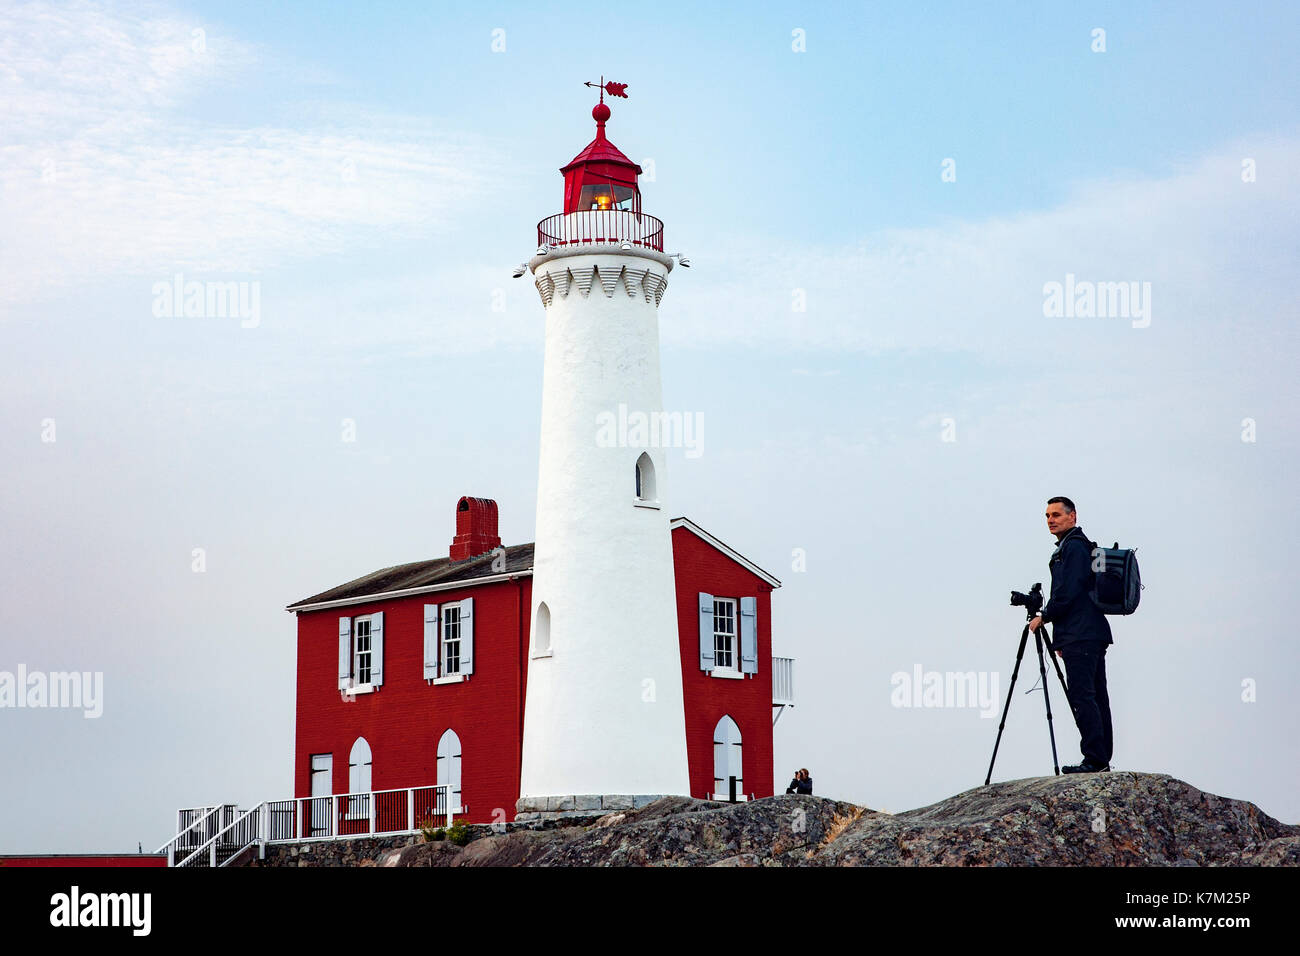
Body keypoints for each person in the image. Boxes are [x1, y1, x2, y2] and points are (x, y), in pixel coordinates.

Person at [1028, 496, 1114, 773]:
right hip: (1086, 633)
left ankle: (1095, 759)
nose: (1051, 520)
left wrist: (1045, 616)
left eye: (1056, 515)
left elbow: (1068, 593)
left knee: (1083, 695)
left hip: (1082, 634)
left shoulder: (1074, 547)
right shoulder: (1075, 546)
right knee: (1095, 694)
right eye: (1047, 516)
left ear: (1072, 516)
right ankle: (1100, 758)